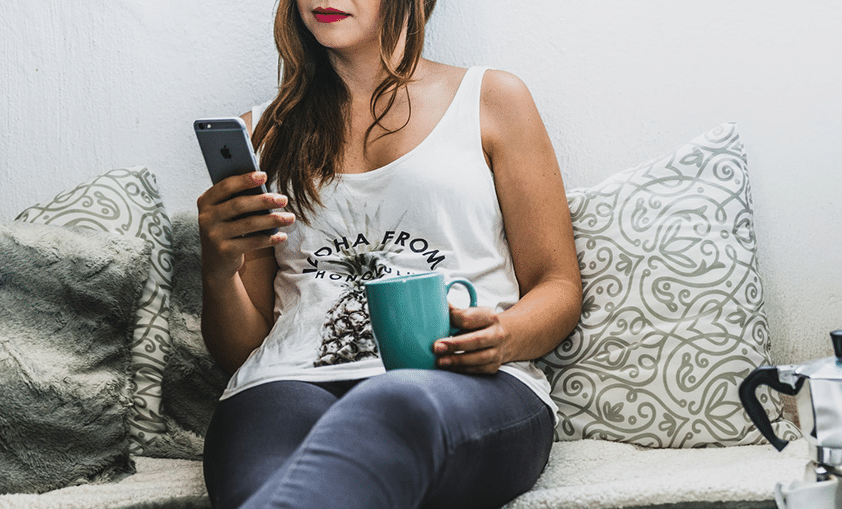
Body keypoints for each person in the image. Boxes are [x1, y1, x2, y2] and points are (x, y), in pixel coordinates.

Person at [197, 0, 582, 507]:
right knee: (262, 443)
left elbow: (557, 284)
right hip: (285, 380)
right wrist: (218, 267)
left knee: (395, 400)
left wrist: (504, 337)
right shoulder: (262, 133)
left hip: (460, 382)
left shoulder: (491, 99)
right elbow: (241, 352)